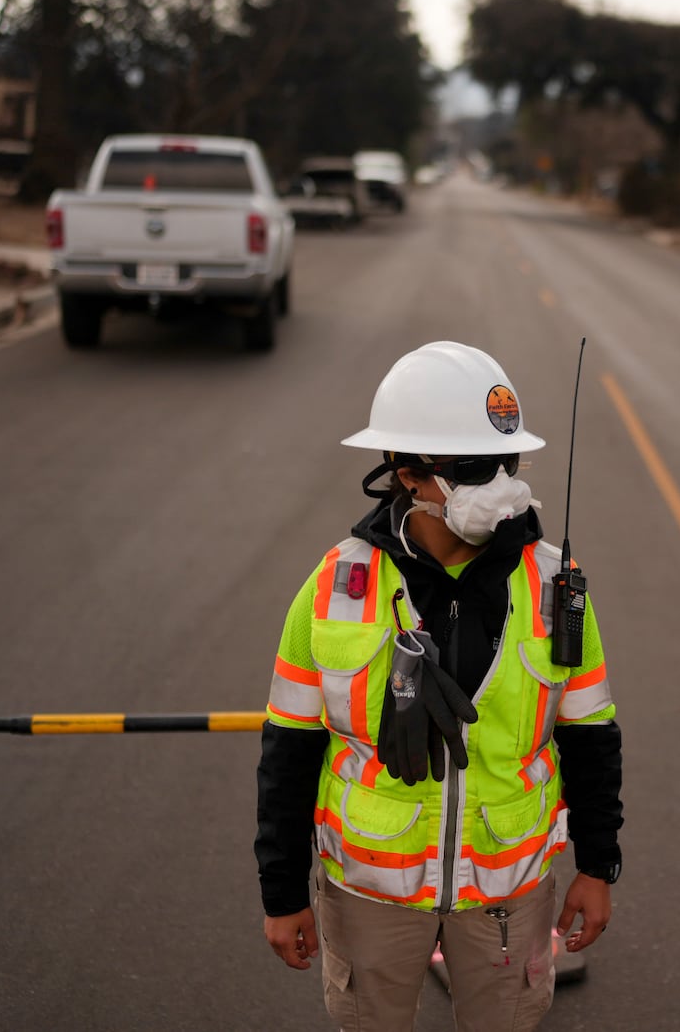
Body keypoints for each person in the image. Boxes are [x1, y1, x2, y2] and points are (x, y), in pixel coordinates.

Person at [255, 341, 624, 1031]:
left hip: (507, 893)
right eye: (475, 467)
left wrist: (598, 864)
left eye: (507, 463)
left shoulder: (554, 585)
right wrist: (282, 893)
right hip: (371, 895)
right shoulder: (336, 588)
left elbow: (591, 736)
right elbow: (289, 750)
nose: (502, 484)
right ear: (407, 471)